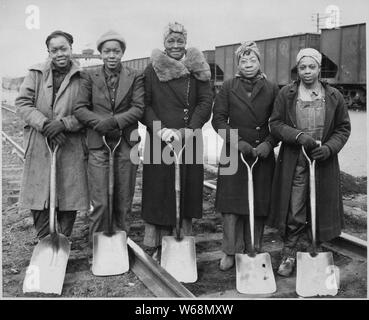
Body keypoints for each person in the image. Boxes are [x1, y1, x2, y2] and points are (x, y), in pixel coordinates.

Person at [268, 48, 351, 277]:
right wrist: (297, 136)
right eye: (303, 67)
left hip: (322, 161)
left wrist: (329, 148)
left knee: (320, 205)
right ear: (298, 69)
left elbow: (343, 128)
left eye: (311, 67)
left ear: (319, 68)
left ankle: (316, 248)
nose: (307, 72)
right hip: (296, 160)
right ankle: (289, 253)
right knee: (295, 208)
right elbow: (275, 124)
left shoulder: (334, 95)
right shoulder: (287, 94)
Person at [141, 22, 213, 260]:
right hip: (159, 140)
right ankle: (158, 242)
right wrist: (160, 130)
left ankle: (182, 235)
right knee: (159, 189)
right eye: (170, 41)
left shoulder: (198, 68)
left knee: (187, 188)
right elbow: (145, 104)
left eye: (179, 41)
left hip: (189, 138)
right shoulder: (152, 70)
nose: (175, 45)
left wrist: (190, 129)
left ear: (185, 42)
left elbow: (205, 101)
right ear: (164, 43)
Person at [73, 30, 144, 250]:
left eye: (116, 51)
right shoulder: (89, 76)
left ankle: (121, 245)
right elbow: (79, 108)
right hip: (98, 143)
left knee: (124, 199)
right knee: (100, 201)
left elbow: (139, 107)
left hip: (125, 143)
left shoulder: (135, 76)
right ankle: (98, 246)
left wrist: (114, 122)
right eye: (107, 51)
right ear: (100, 53)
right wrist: (99, 124)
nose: (111, 55)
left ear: (122, 52)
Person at [212, 41, 279, 271]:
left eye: (253, 60)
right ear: (238, 63)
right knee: (231, 203)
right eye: (244, 60)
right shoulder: (228, 86)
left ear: (259, 62)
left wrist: (269, 144)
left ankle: (254, 246)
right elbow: (218, 120)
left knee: (258, 202)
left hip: (261, 154)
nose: (248, 64)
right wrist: (236, 141)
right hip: (234, 153)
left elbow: (278, 122)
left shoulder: (271, 88)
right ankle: (230, 251)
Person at [15, 30, 89, 239]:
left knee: (69, 194)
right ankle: (44, 241)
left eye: (63, 48)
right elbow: (22, 103)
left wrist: (64, 124)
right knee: (39, 193)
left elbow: (88, 111)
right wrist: (46, 124)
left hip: (70, 143)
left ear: (71, 49)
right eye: (54, 50)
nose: (59, 54)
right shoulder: (36, 73)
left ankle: (62, 240)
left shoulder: (83, 77)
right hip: (40, 142)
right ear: (48, 52)